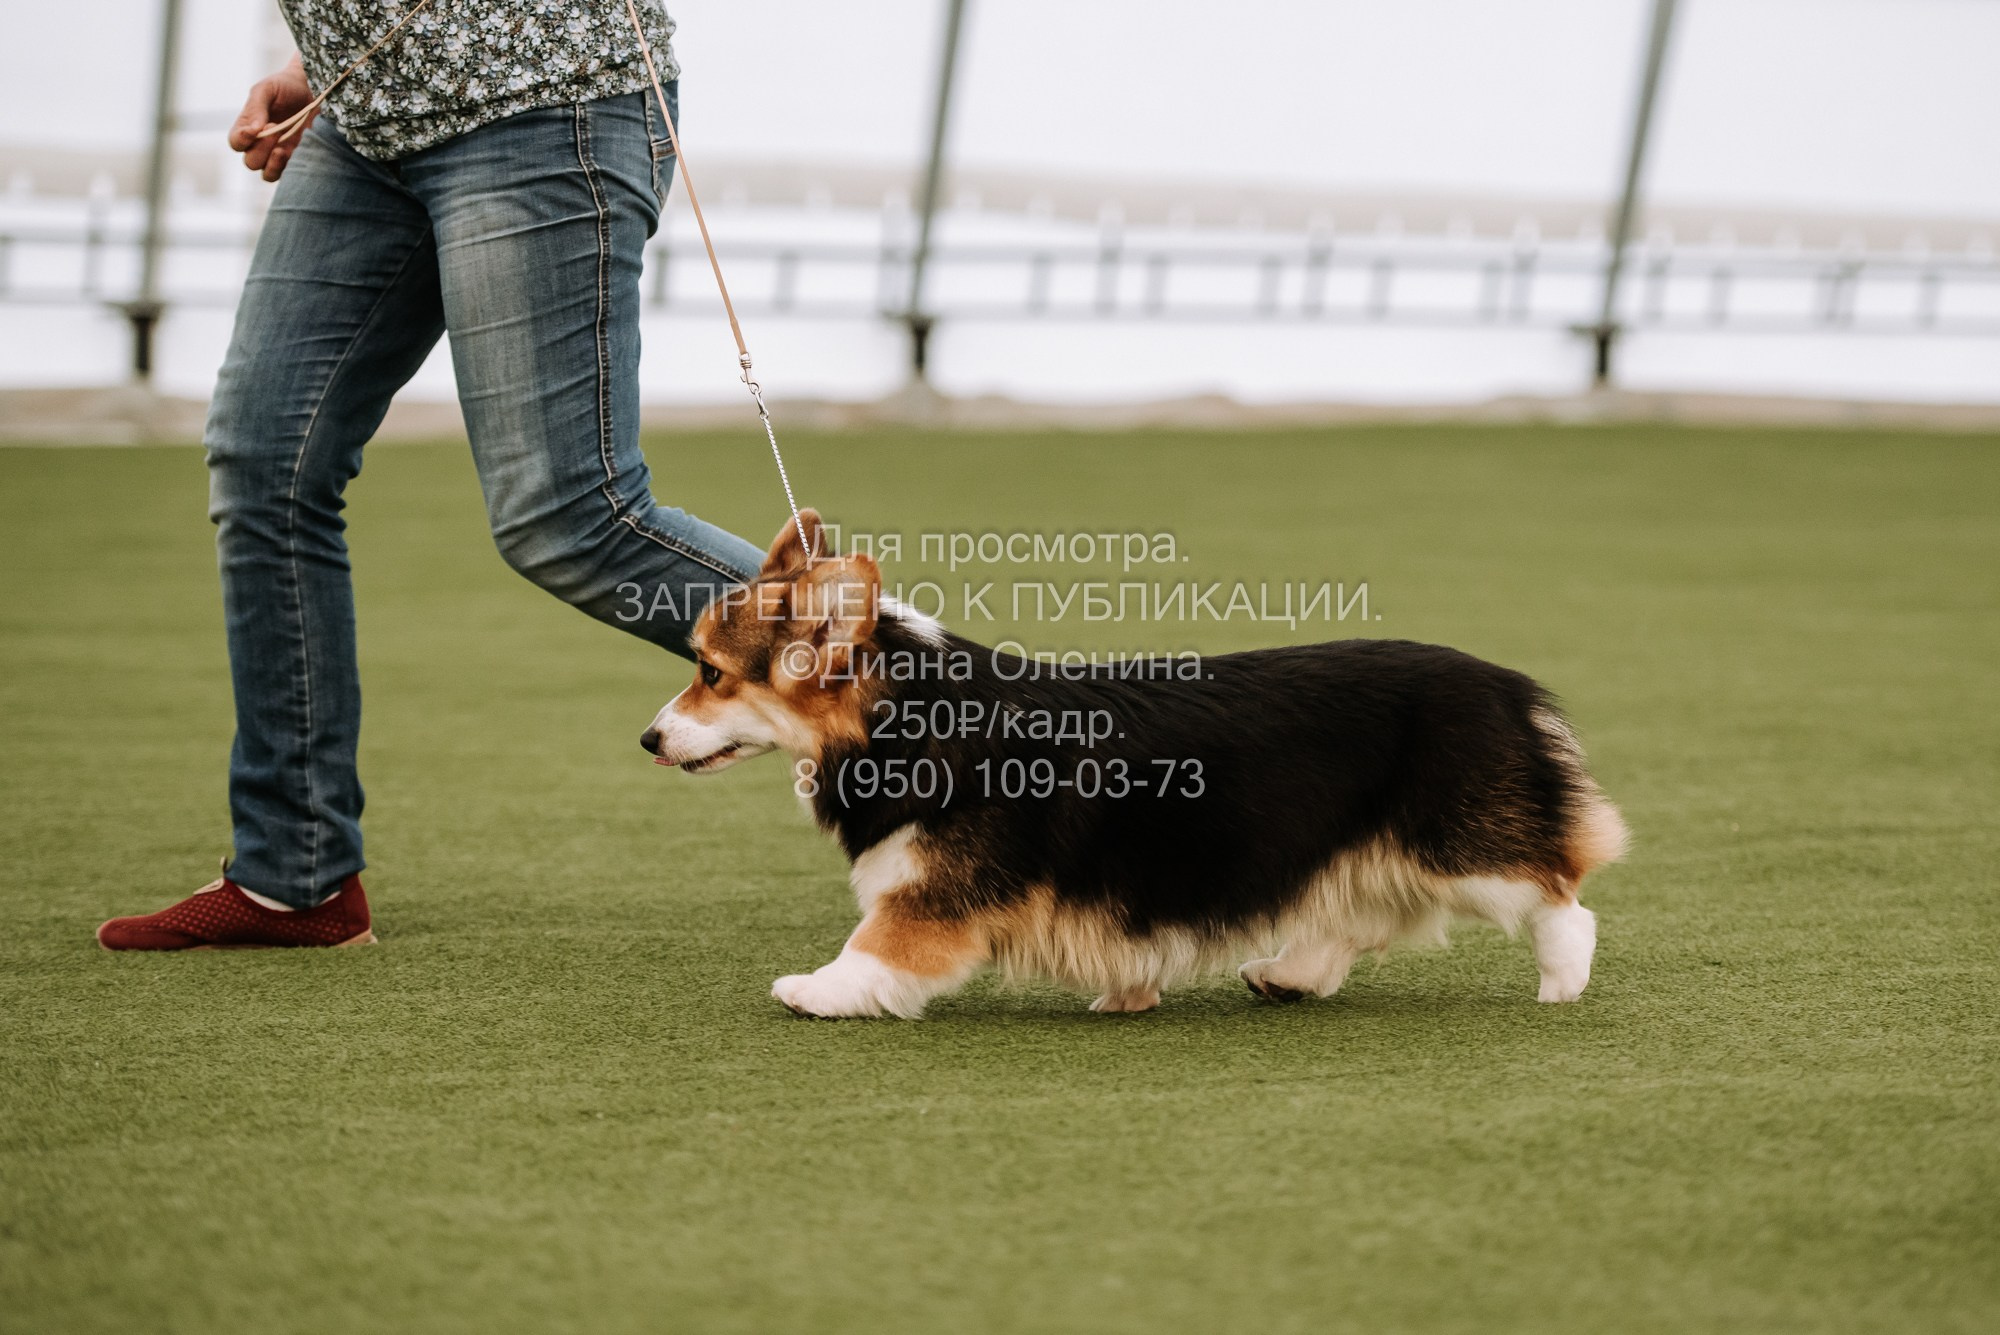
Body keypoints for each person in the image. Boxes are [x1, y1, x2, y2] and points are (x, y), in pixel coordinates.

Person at [96, 0, 761, 950]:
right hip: (368, 123)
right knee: (265, 464)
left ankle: (952, 707)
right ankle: (298, 875)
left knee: (572, 517)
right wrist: (321, 52)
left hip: (538, 105)